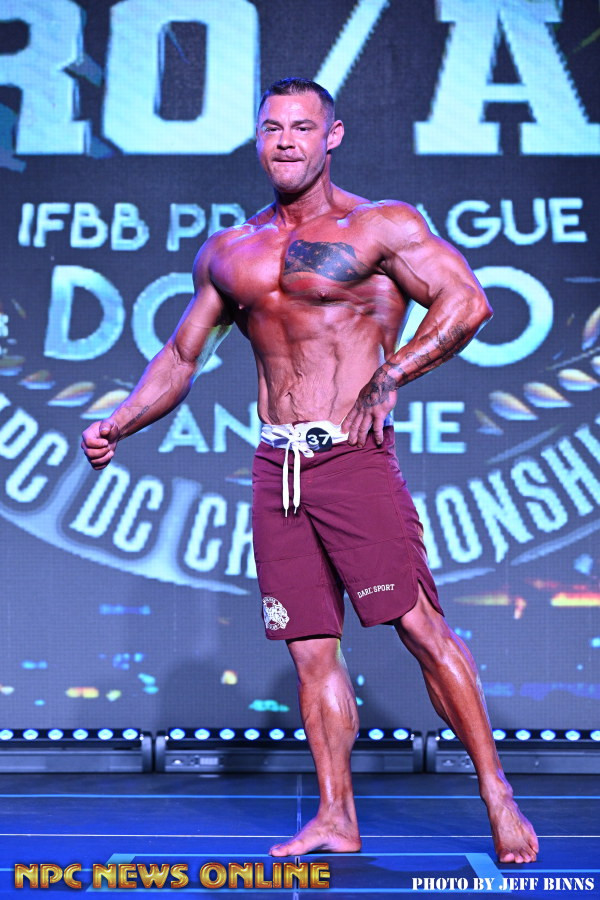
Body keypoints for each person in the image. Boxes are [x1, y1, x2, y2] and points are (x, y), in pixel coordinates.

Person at [81, 78, 538, 865]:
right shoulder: (230, 250)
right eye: (272, 128)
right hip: (277, 466)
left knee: (420, 627)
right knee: (310, 649)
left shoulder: (380, 226)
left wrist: (393, 373)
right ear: (258, 140)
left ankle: (496, 792)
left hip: (353, 459)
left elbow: (467, 303)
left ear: (333, 136)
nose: (285, 141)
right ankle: (335, 816)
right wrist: (118, 422)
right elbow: (182, 357)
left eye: (302, 127)